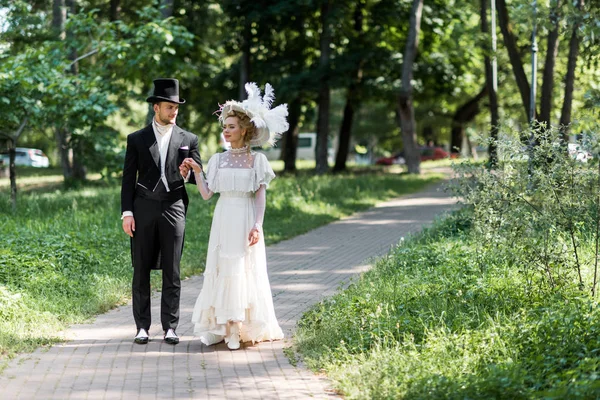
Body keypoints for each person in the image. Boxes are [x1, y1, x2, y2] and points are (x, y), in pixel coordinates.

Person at [181, 82, 287, 350]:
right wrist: (196, 171)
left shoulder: (257, 161)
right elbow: (207, 194)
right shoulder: (217, 160)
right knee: (222, 268)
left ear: (245, 130)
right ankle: (222, 328)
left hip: (245, 216)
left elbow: (260, 195)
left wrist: (257, 225)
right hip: (224, 216)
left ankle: (238, 328)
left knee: (242, 269)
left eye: (231, 127)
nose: (226, 131)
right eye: (224, 127)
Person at [121, 78, 202, 345]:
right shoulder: (136, 139)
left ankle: (170, 327)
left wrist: (189, 174)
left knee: (173, 268)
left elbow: (197, 175)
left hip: (175, 205)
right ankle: (142, 327)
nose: (174, 111)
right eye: (169, 107)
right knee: (141, 268)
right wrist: (127, 213)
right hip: (143, 206)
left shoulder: (189, 139)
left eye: (177, 107)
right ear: (156, 107)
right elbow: (127, 179)